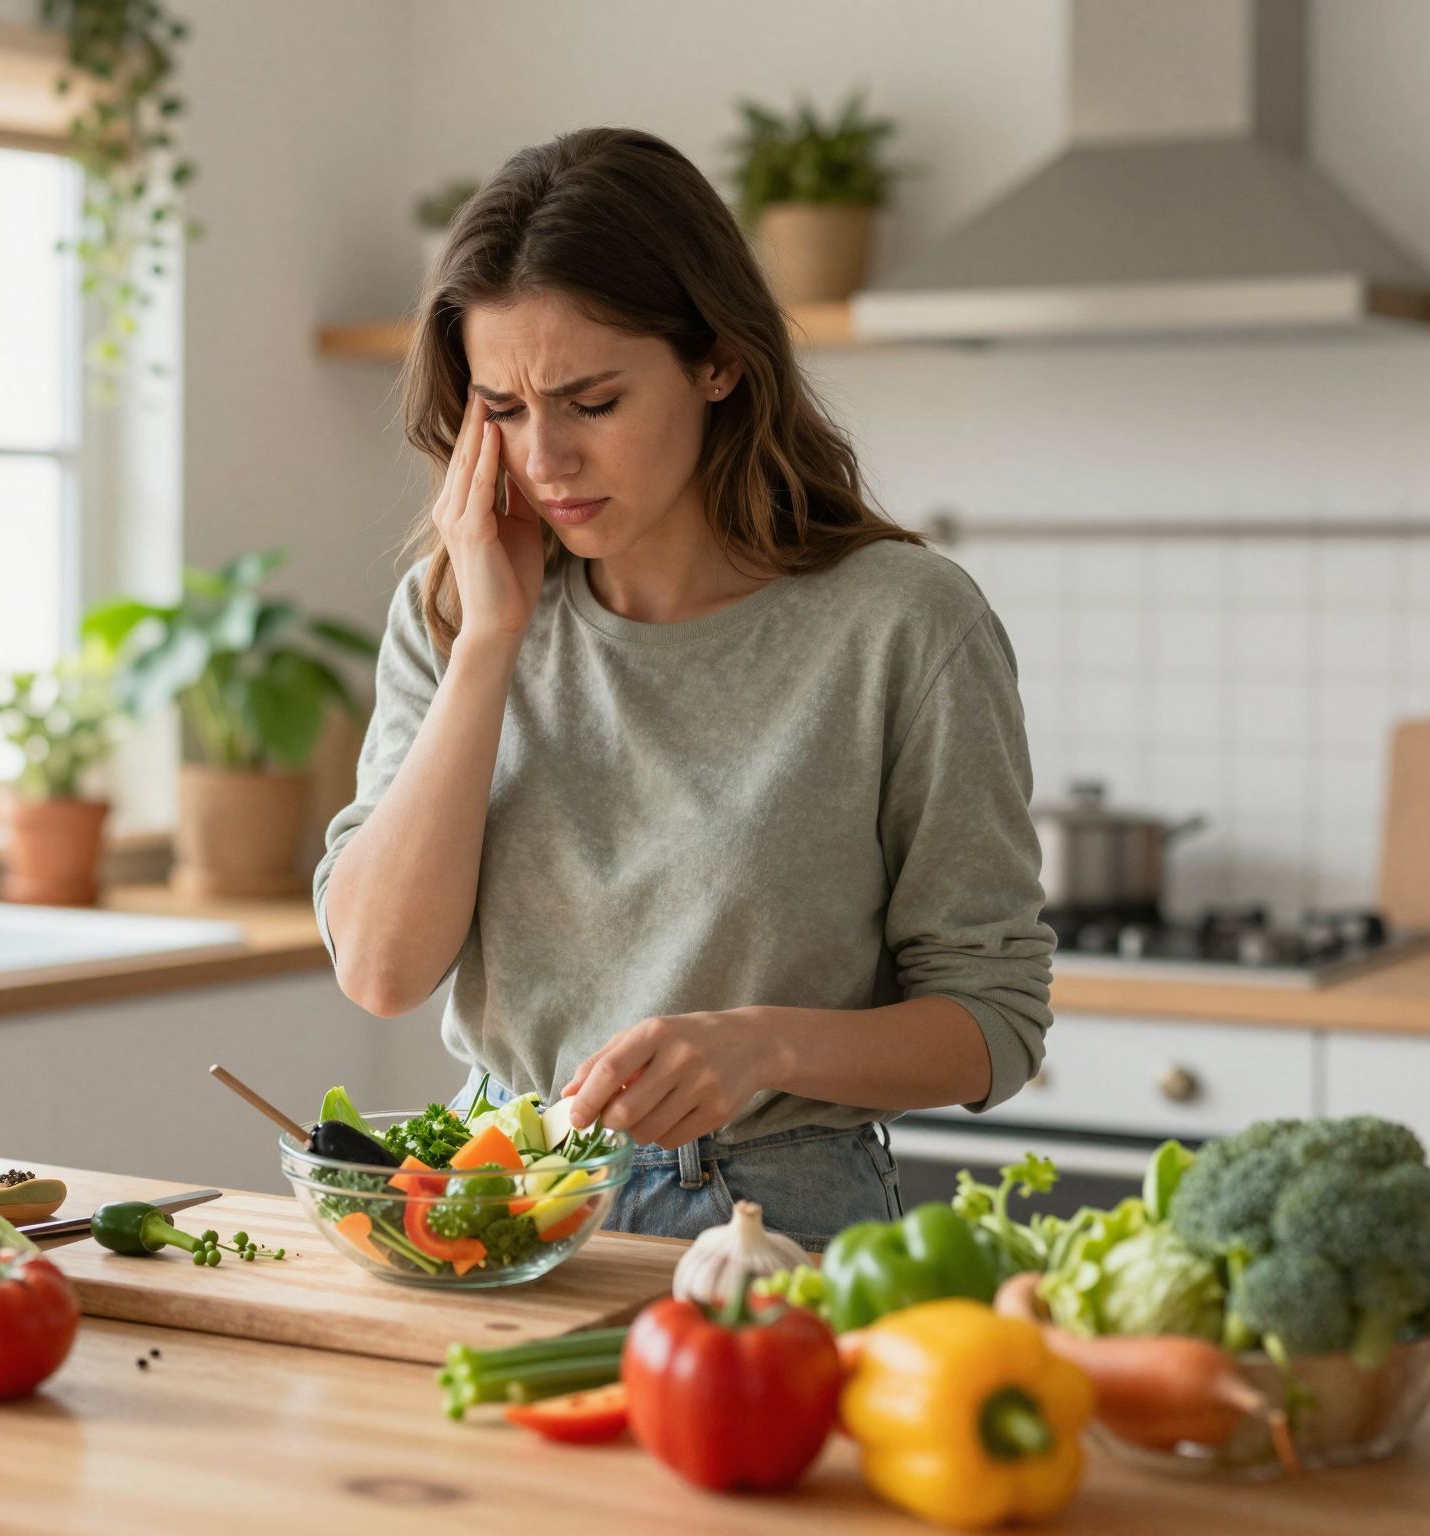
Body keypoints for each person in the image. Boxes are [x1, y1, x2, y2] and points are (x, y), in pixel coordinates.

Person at [312, 126, 1053, 1246]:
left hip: (772, 1223)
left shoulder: (902, 624)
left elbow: (992, 1023)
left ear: (717, 362)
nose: (544, 460)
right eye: (502, 411)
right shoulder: (454, 611)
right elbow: (378, 970)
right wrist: (489, 644)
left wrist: (769, 1045)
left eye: (590, 402)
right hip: (493, 1205)